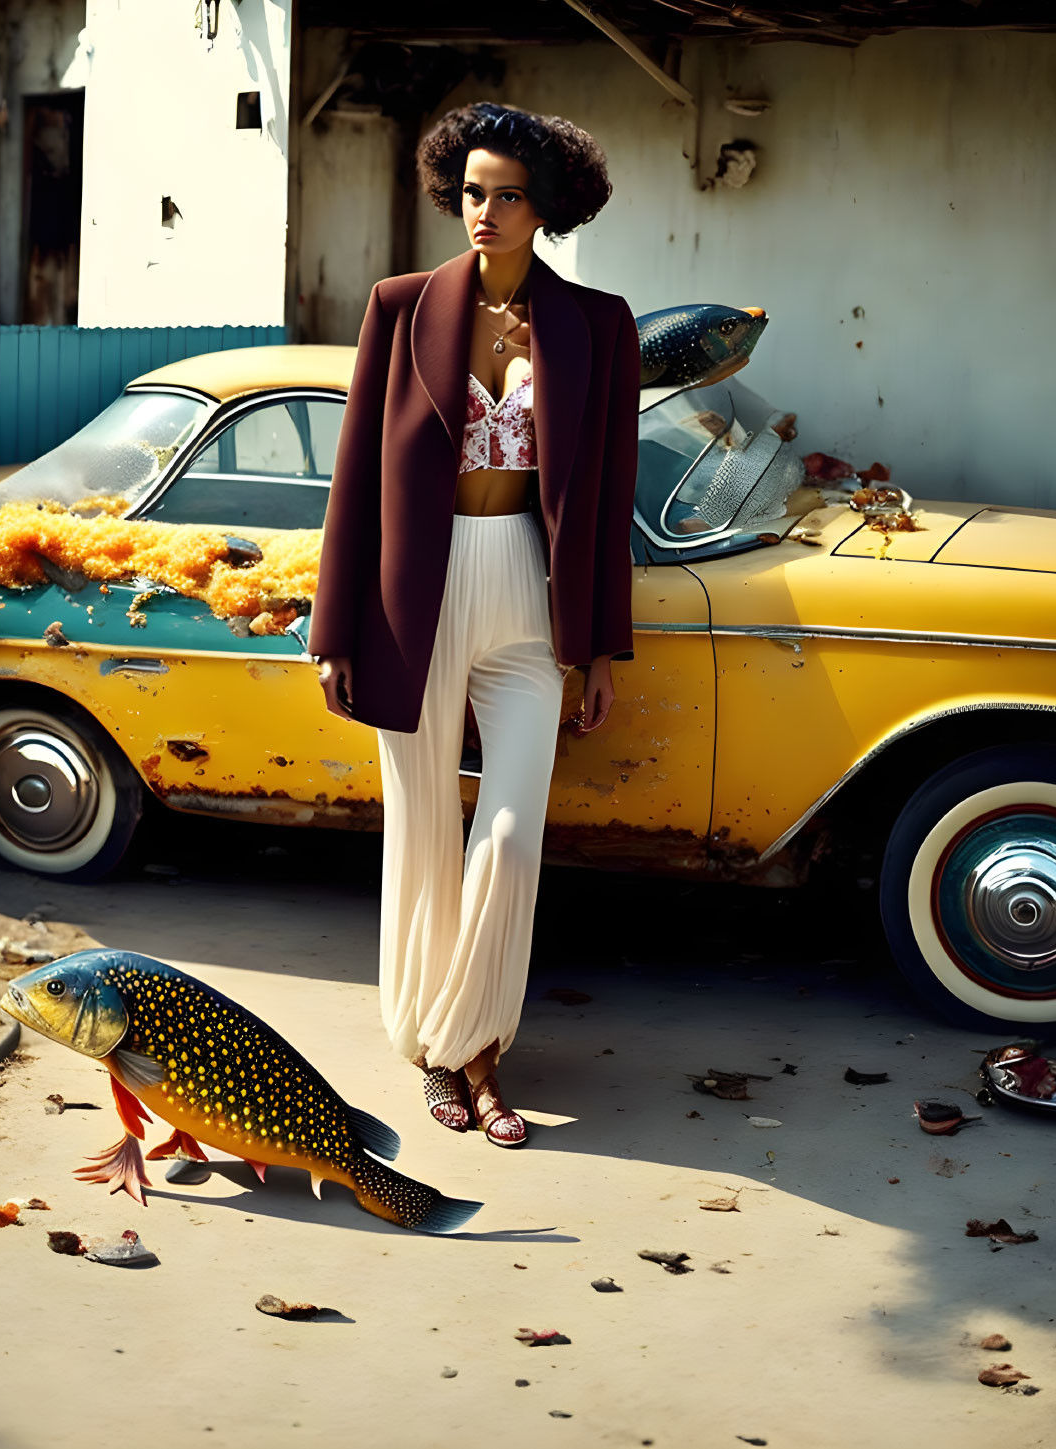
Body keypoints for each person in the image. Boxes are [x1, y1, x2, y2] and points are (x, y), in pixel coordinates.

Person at [308, 101, 640, 1147]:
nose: (483, 212)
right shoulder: (399, 307)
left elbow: (608, 499)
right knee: (422, 833)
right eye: (470, 193)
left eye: (506, 196)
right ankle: (451, 1060)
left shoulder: (599, 324)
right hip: (416, 599)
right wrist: (334, 631)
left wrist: (599, 648)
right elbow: (354, 475)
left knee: (510, 836)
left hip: (532, 604)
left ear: (546, 207)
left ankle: (471, 1044)